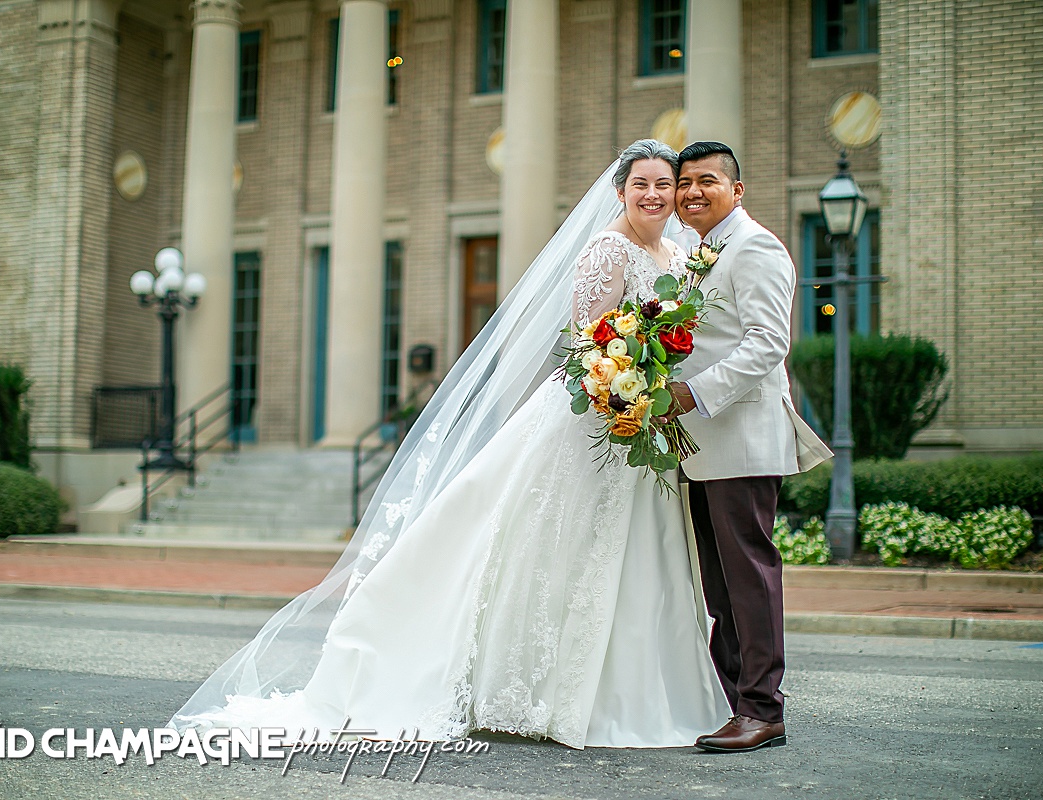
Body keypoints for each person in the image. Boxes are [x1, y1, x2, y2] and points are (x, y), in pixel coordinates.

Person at [170, 140, 731, 749]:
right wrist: (623, 383)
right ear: (620, 190)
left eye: (665, 185)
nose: (655, 195)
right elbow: (587, 345)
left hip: (643, 427)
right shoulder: (607, 249)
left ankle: (626, 694)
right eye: (642, 183)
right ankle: (524, 688)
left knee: (634, 557)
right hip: (594, 418)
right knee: (545, 549)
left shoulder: (677, 252)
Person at [657, 141, 832, 753]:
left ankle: (763, 708)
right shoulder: (702, 253)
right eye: (684, 184)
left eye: (706, 181)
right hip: (702, 441)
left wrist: (691, 394)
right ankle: (732, 698)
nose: (690, 193)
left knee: (748, 575)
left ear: (736, 189)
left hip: (741, 436)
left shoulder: (754, 247)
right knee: (719, 579)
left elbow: (765, 345)